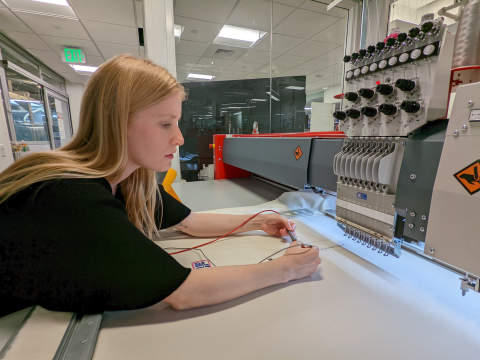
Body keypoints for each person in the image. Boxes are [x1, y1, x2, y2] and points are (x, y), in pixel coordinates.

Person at [0, 54, 321, 318]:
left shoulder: (129, 180)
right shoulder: (69, 194)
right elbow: (184, 291)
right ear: (116, 122)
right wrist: (287, 269)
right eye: (165, 124)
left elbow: (191, 223)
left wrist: (258, 221)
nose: (179, 138)